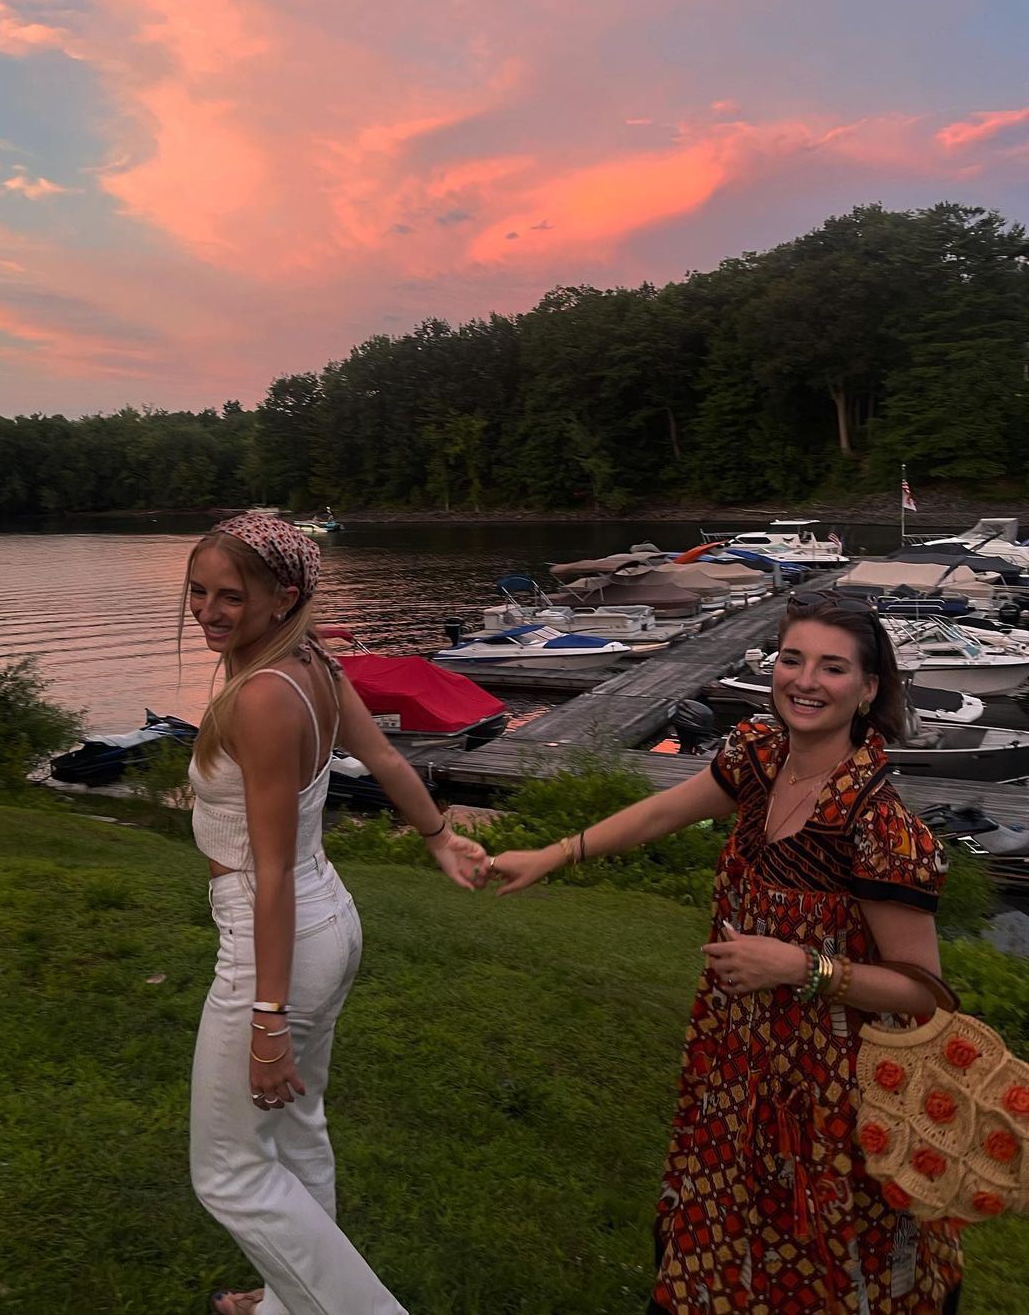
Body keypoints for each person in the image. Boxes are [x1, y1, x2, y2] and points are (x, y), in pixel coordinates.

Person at [490, 596, 963, 1314]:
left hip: (831, 1086)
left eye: (832, 667)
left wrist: (803, 967)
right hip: (736, 1049)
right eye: (793, 659)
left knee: (819, 1247)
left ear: (868, 689)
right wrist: (552, 854)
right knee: (721, 1215)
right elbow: (662, 811)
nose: (805, 680)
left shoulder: (880, 827)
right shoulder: (758, 757)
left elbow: (923, 991)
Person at [181, 513, 486, 1315]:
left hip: (275, 936)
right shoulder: (309, 658)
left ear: (282, 597)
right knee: (295, 1127)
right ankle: (286, 1304)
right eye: (198, 591)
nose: (208, 610)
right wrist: (439, 836)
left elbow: (271, 871)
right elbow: (382, 756)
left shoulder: (264, 696)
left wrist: (268, 1016)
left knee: (230, 1170)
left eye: (229, 595)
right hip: (328, 921)